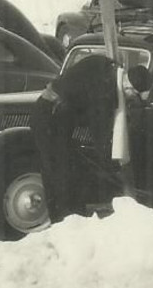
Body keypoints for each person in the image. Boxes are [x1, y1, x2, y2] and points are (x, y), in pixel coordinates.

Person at [30, 53, 123, 225]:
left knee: (63, 169)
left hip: (55, 114)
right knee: (59, 172)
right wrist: (109, 157)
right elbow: (98, 123)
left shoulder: (104, 64)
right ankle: (64, 220)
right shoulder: (103, 85)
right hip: (50, 116)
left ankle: (70, 216)